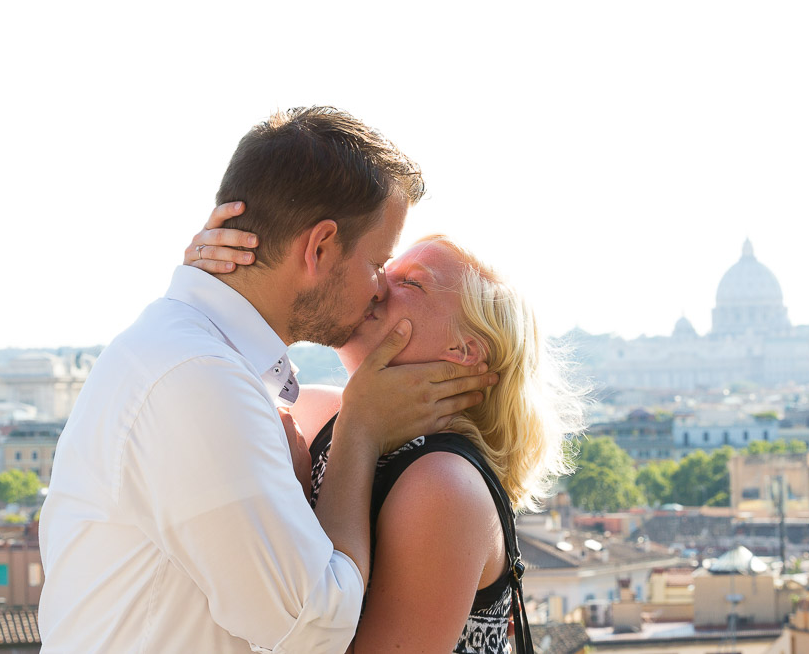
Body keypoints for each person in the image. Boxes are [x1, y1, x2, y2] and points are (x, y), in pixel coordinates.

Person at [38, 107, 497, 653]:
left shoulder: (193, 355)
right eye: (378, 263)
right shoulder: (200, 379)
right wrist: (359, 432)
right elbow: (313, 631)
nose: (379, 290)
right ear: (320, 248)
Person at [187, 215, 585, 653]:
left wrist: (353, 437)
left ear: (463, 350)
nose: (376, 286)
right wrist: (213, 277)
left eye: (412, 284)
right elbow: (198, 387)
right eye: (383, 270)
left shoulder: (445, 486)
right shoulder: (320, 412)